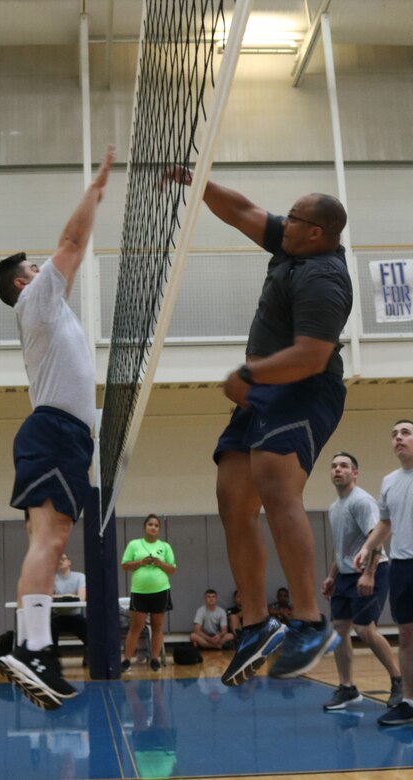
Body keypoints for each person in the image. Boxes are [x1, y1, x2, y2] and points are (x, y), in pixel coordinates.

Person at [173, 168, 353, 686]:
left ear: (315, 232)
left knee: (275, 484)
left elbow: (312, 356)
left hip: (302, 386)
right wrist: (198, 181)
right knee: (233, 500)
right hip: (264, 392)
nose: (283, 220)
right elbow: (242, 211)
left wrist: (248, 374)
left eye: (294, 217)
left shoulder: (322, 277)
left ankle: (311, 621)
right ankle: (254, 625)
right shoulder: (293, 246)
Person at [0, 145, 115, 710]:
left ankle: (36, 650)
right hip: (55, 432)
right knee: (52, 540)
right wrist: (95, 190)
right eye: (33, 270)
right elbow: (71, 243)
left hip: (61, 433)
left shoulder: (52, 311)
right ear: (24, 283)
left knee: (49, 540)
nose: (45, 269)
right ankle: (31, 647)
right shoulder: (37, 301)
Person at [322, 451, 401, 711]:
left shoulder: (362, 501)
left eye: (344, 466)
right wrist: (332, 576)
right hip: (345, 577)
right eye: (334, 466)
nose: (337, 470)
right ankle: (347, 688)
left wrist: (368, 573)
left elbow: (375, 539)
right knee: (339, 631)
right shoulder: (335, 508)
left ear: (354, 473)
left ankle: (398, 680)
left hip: (373, 571)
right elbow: (343, 549)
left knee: (365, 629)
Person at [355, 420, 413, 727]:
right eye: (394, 434)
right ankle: (409, 702)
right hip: (403, 567)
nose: (399, 438)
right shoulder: (390, 480)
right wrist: (367, 548)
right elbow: (385, 524)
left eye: (405, 432)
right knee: (406, 636)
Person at [121, 514, 177, 672]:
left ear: (159, 529)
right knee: (136, 627)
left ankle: (154, 659)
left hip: (160, 591)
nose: (153, 527)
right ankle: (126, 661)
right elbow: (125, 566)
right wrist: (140, 562)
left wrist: (160, 563)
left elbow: (172, 569)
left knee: (157, 626)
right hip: (139, 592)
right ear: (144, 527)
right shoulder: (134, 544)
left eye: (156, 525)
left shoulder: (165, 546)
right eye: (150, 524)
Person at [51, 553, 88, 666]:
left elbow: (81, 598)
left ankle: (89, 659)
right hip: (57, 617)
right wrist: (70, 596)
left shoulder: (80, 577)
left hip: (75, 616)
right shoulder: (51, 578)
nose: (61, 561)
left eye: (63, 559)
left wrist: (59, 597)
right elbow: (49, 597)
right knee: (49, 629)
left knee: (90, 632)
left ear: (69, 562)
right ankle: (54, 661)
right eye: (58, 559)